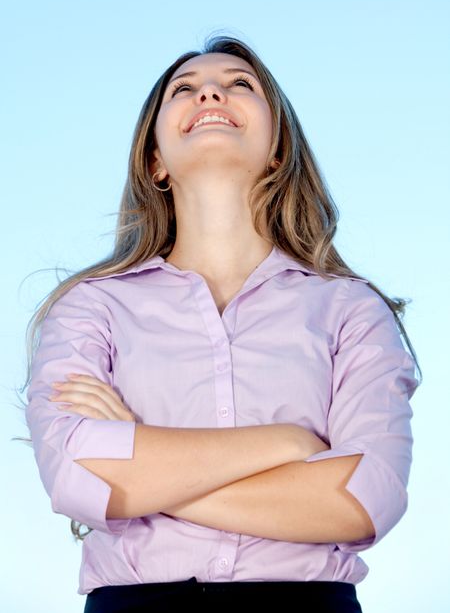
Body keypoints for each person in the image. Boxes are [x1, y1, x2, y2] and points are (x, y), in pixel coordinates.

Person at [20, 34, 422, 613]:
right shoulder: (90, 306)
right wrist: (286, 445)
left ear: (278, 150)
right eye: (184, 89)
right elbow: (76, 477)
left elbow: (362, 501)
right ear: (155, 160)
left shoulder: (352, 308)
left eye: (240, 84)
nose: (211, 90)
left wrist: (144, 470)